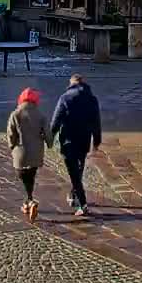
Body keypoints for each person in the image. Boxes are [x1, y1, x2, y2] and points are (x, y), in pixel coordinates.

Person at [49, 73, 102, 217]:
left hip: (68, 140)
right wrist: (96, 141)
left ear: (71, 84)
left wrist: (49, 138)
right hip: (84, 140)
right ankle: (74, 195)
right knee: (78, 169)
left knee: (74, 173)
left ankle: (83, 204)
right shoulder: (92, 99)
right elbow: (96, 123)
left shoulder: (65, 98)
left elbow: (56, 121)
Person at [7, 87, 50, 222]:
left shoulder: (15, 114)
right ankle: (28, 201)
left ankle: (30, 201)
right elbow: (48, 133)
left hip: (20, 151)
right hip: (36, 151)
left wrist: (12, 146)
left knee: (22, 176)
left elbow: (11, 134)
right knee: (31, 175)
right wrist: (49, 143)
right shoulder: (41, 115)